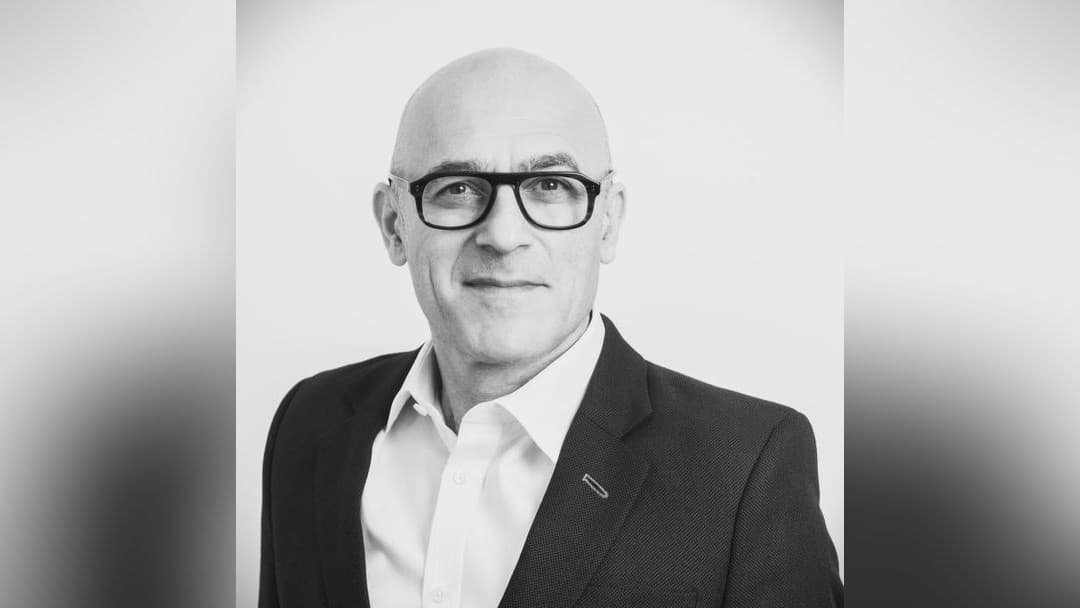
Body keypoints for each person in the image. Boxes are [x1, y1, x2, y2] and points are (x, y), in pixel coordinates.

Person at [259, 48, 842, 608]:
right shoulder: (308, 424)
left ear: (608, 222)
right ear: (394, 225)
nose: (503, 235)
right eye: (457, 188)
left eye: (551, 186)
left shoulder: (747, 469)